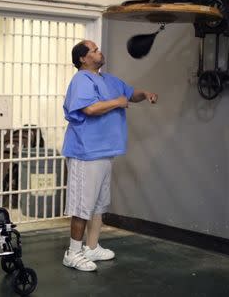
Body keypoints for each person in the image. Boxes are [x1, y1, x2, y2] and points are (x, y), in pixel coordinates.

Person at [62, 40, 158, 272]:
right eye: (94, 50)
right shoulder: (81, 80)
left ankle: (92, 247)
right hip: (86, 153)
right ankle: (73, 253)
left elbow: (129, 94)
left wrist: (143, 94)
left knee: (98, 205)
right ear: (83, 59)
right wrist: (117, 102)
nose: (99, 52)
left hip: (105, 152)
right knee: (81, 206)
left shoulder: (107, 79)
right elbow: (89, 109)